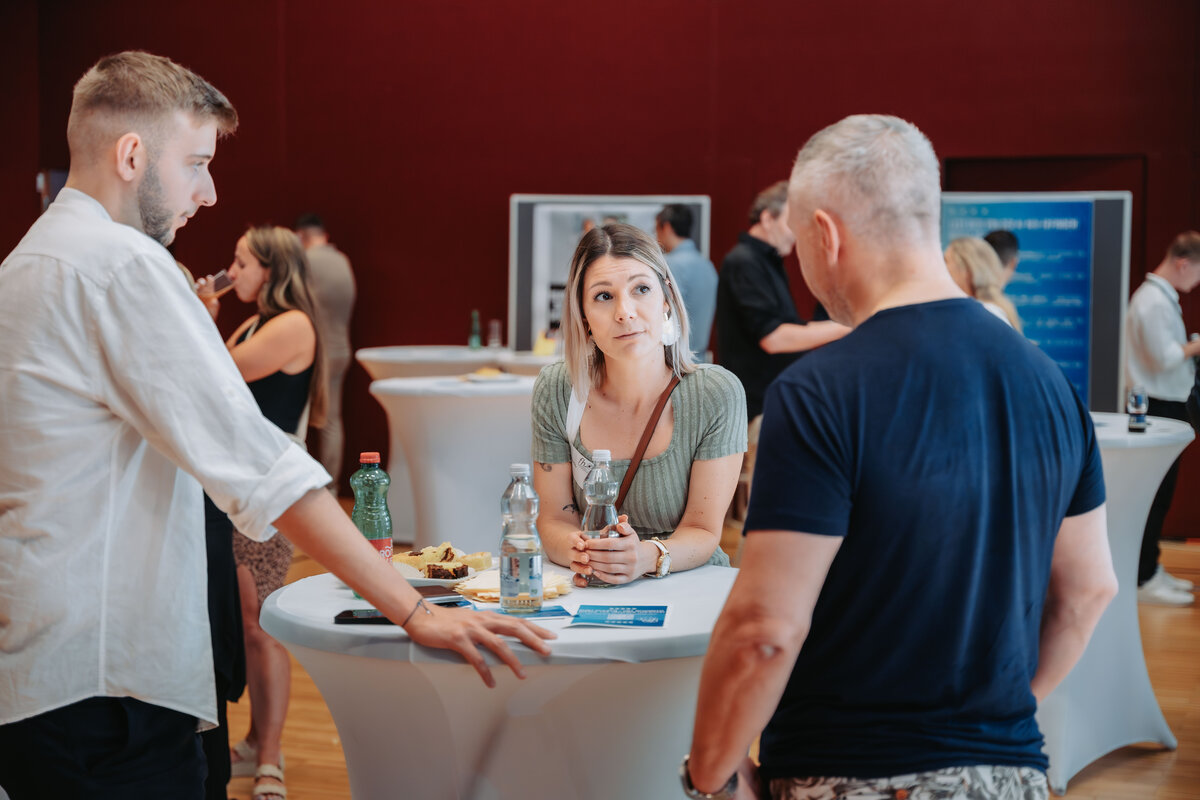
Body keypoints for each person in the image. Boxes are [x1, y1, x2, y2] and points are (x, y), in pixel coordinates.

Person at [0, 51, 553, 799]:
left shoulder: (29, 261)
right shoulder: (121, 265)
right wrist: (416, 610)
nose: (210, 189)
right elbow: (263, 467)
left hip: (43, 668)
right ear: (132, 155)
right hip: (106, 683)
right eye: (195, 162)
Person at [684, 115, 1117, 800]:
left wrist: (708, 772)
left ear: (825, 234)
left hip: (850, 774)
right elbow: (1089, 592)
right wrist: (985, 728)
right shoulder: (1050, 383)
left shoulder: (821, 392)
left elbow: (764, 628)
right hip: (1013, 775)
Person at [531, 223, 746, 587]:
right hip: (590, 590)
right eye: (603, 296)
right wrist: (582, 550)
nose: (625, 312)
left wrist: (644, 557)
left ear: (666, 300)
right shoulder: (556, 389)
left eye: (641, 289)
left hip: (691, 587)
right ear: (583, 318)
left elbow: (704, 529)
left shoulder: (715, 392)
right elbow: (554, 518)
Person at [209, 226, 327, 799]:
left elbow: (219, 375)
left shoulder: (291, 324)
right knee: (246, 618)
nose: (232, 272)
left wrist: (200, 313)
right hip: (241, 486)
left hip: (272, 488)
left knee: (259, 624)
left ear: (272, 271)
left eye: (242, 263)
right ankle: (256, 740)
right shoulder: (253, 322)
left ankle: (271, 758)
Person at [715, 180, 849, 421]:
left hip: (770, 400)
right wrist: (848, 328)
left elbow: (792, 326)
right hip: (755, 407)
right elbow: (774, 338)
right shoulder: (744, 262)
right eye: (791, 221)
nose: (797, 231)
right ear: (767, 219)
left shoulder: (767, 261)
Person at [1126, 231, 1200, 606]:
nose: (1196, 282)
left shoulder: (1160, 298)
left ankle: (1149, 569)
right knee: (1154, 496)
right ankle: (1142, 577)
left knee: (1161, 495)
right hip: (1156, 407)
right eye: (1197, 272)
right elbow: (1164, 358)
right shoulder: (1151, 301)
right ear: (1184, 263)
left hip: (1166, 403)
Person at [294, 212, 356, 490]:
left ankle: (300, 487)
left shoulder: (305, 262)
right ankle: (331, 486)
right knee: (332, 420)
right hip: (341, 348)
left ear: (300, 236)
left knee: (299, 418)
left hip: (314, 352)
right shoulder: (342, 260)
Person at [655, 204, 717, 358]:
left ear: (667, 227)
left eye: (656, 229)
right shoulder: (707, 265)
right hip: (699, 358)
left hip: (674, 361)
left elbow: (663, 316)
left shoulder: (668, 265)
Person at [945, 235, 1023, 330]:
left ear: (967, 270)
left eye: (946, 261)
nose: (943, 268)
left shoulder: (983, 314)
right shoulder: (993, 310)